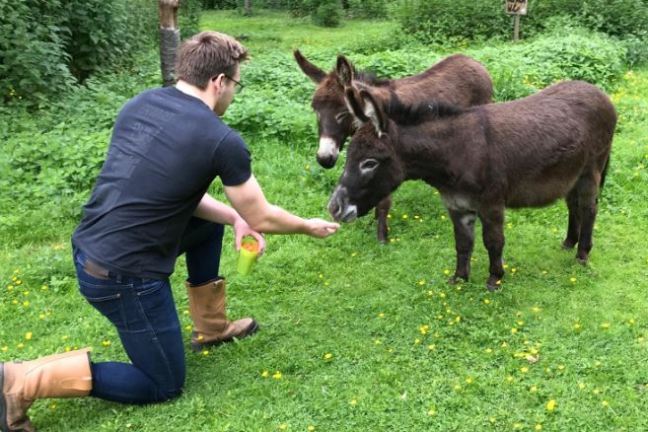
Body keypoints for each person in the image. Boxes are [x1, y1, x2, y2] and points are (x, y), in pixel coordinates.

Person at [0, 31, 339, 431]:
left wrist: (232, 217)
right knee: (162, 384)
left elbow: (179, 193)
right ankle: (20, 380)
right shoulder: (220, 139)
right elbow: (262, 216)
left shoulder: (142, 104)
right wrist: (306, 226)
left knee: (206, 226)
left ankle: (212, 328)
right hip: (122, 276)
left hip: (90, 248)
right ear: (218, 82)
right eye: (235, 83)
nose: (233, 93)